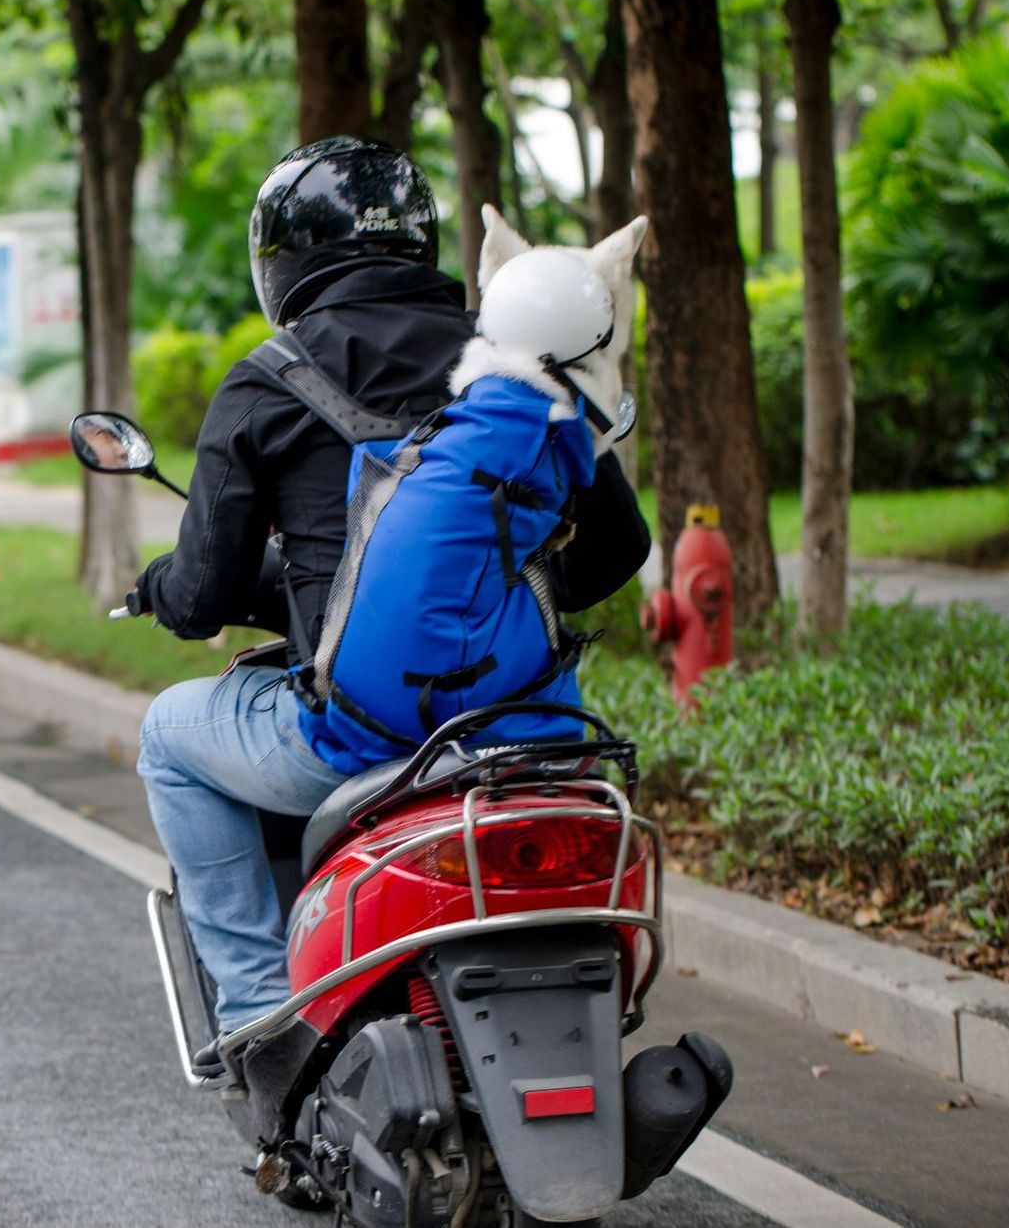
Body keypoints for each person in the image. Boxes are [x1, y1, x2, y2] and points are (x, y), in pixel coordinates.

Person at [131, 137, 651, 1076]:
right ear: (419, 241)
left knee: (170, 733)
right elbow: (619, 546)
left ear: (281, 260)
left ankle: (258, 1016)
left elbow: (205, 590)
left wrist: (159, 591)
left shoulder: (266, 379)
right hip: (518, 726)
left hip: (364, 736)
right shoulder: (520, 360)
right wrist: (502, 603)